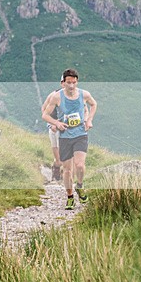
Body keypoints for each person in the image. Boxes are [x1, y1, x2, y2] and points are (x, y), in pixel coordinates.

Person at [41, 68, 97, 210]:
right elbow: (45, 115)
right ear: (63, 83)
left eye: (74, 82)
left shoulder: (84, 94)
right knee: (67, 169)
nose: (71, 86)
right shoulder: (56, 97)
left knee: (79, 165)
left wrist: (89, 120)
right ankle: (70, 197)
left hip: (80, 134)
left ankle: (79, 185)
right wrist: (56, 123)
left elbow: (94, 104)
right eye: (68, 83)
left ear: (77, 82)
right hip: (65, 136)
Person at [43, 75, 65, 182]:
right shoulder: (53, 95)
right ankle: (56, 168)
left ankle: (66, 179)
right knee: (59, 159)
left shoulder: (76, 96)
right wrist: (51, 124)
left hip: (69, 130)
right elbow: (44, 110)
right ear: (62, 83)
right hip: (55, 129)